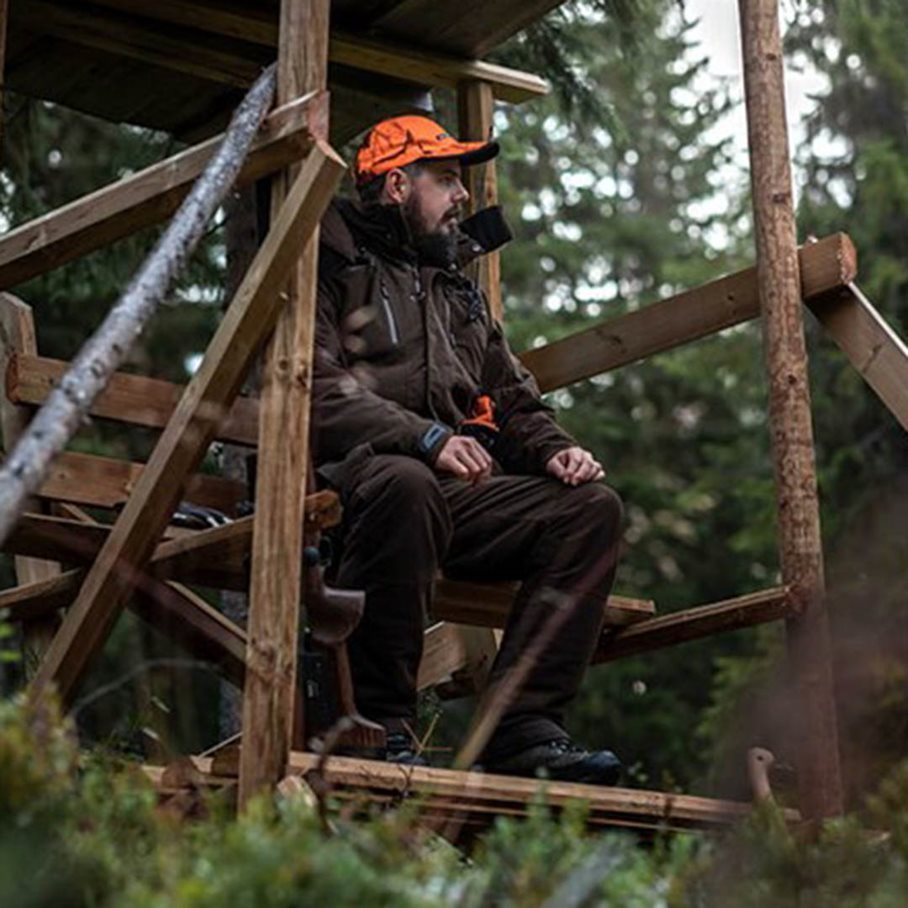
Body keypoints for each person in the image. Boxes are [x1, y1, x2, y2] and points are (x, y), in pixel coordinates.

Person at [312, 114, 624, 784]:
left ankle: (519, 731)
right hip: (357, 486)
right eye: (447, 179)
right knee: (409, 483)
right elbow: (315, 385)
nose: (462, 196)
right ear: (398, 185)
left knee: (590, 510)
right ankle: (377, 726)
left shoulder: (458, 289)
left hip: (452, 497)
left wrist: (557, 452)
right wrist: (425, 437)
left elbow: (513, 400)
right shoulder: (331, 263)